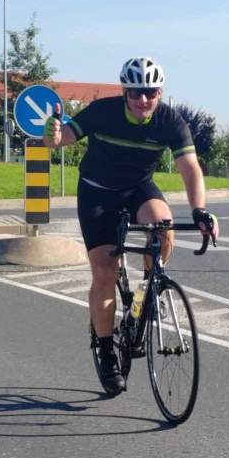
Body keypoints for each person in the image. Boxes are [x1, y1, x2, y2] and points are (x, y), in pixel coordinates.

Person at [44, 56, 218, 395]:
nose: (143, 100)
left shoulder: (170, 120)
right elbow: (64, 137)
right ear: (125, 92)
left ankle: (145, 293)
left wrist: (200, 211)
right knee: (105, 272)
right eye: (136, 92)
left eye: (150, 93)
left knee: (163, 226)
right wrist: (53, 136)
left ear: (160, 92)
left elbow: (190, 168)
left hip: (137, 187)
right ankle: (107, 350)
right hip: (97, 192)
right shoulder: (103, 112)